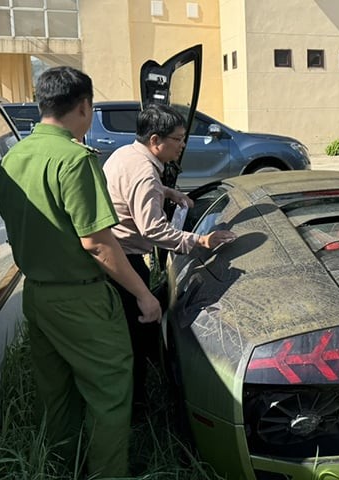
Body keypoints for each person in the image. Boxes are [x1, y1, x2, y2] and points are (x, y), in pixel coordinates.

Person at [0, 66, 161, 477]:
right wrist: (143, 293)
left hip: (36, 295)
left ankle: (60, 466)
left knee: (57, 394)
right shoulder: (74, 159)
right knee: (109, 393)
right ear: (84, 106)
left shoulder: (13, 157)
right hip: (81, 298)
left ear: (41, 105)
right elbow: (99, 244)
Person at [103, 103, 236, 407]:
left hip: (114, 255)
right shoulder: (145, 174)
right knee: (136, 338)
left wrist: (168, 192)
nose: (183, 145)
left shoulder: (126, 154)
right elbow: (153, 230)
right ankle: (136, 407)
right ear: (155, 140)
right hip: (127, 262)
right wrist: (200, 240)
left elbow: (133, 191)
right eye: (178, 139)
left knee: (135, 333)